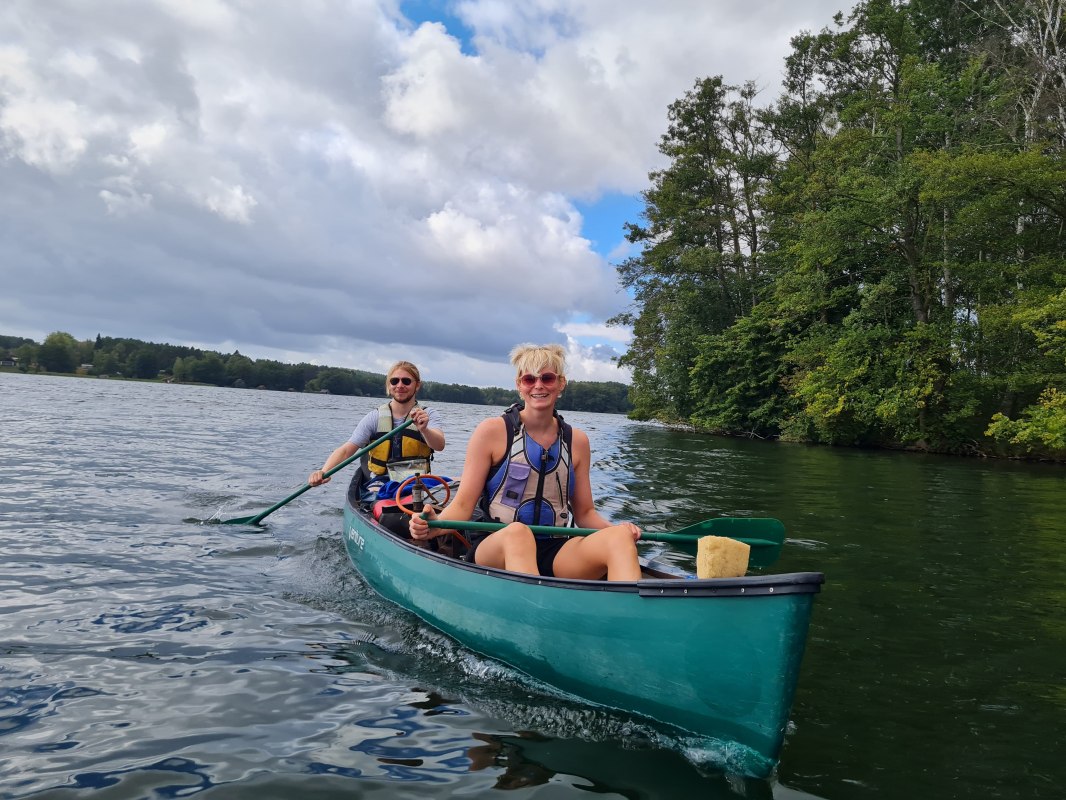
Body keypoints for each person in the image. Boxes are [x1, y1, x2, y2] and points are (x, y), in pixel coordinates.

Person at [409, 344, 641, 581]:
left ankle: (629, 612)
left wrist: (621, 529)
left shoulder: (577, 441)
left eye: (547, 378)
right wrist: (437, 525)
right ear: (519, 386)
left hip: (555, 549)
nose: (538, 385)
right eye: (529, 379)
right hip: (496, 544)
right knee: (519, 533)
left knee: (619, 538)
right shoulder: (491, 431)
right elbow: (464, 505)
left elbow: (585, 514)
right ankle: (537, 613)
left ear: (561, 384)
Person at [308, 361, 445, 503]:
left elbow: (439, 445)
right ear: (388, 385)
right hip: (381, 481)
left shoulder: (428, 415)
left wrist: (425, 429)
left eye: (406, 381)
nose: (400, 385)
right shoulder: (374, 417)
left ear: (417, 385)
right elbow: (346, 450)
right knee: (380, 504)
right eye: (394, 381)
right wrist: (323, 471)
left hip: (416, 481)